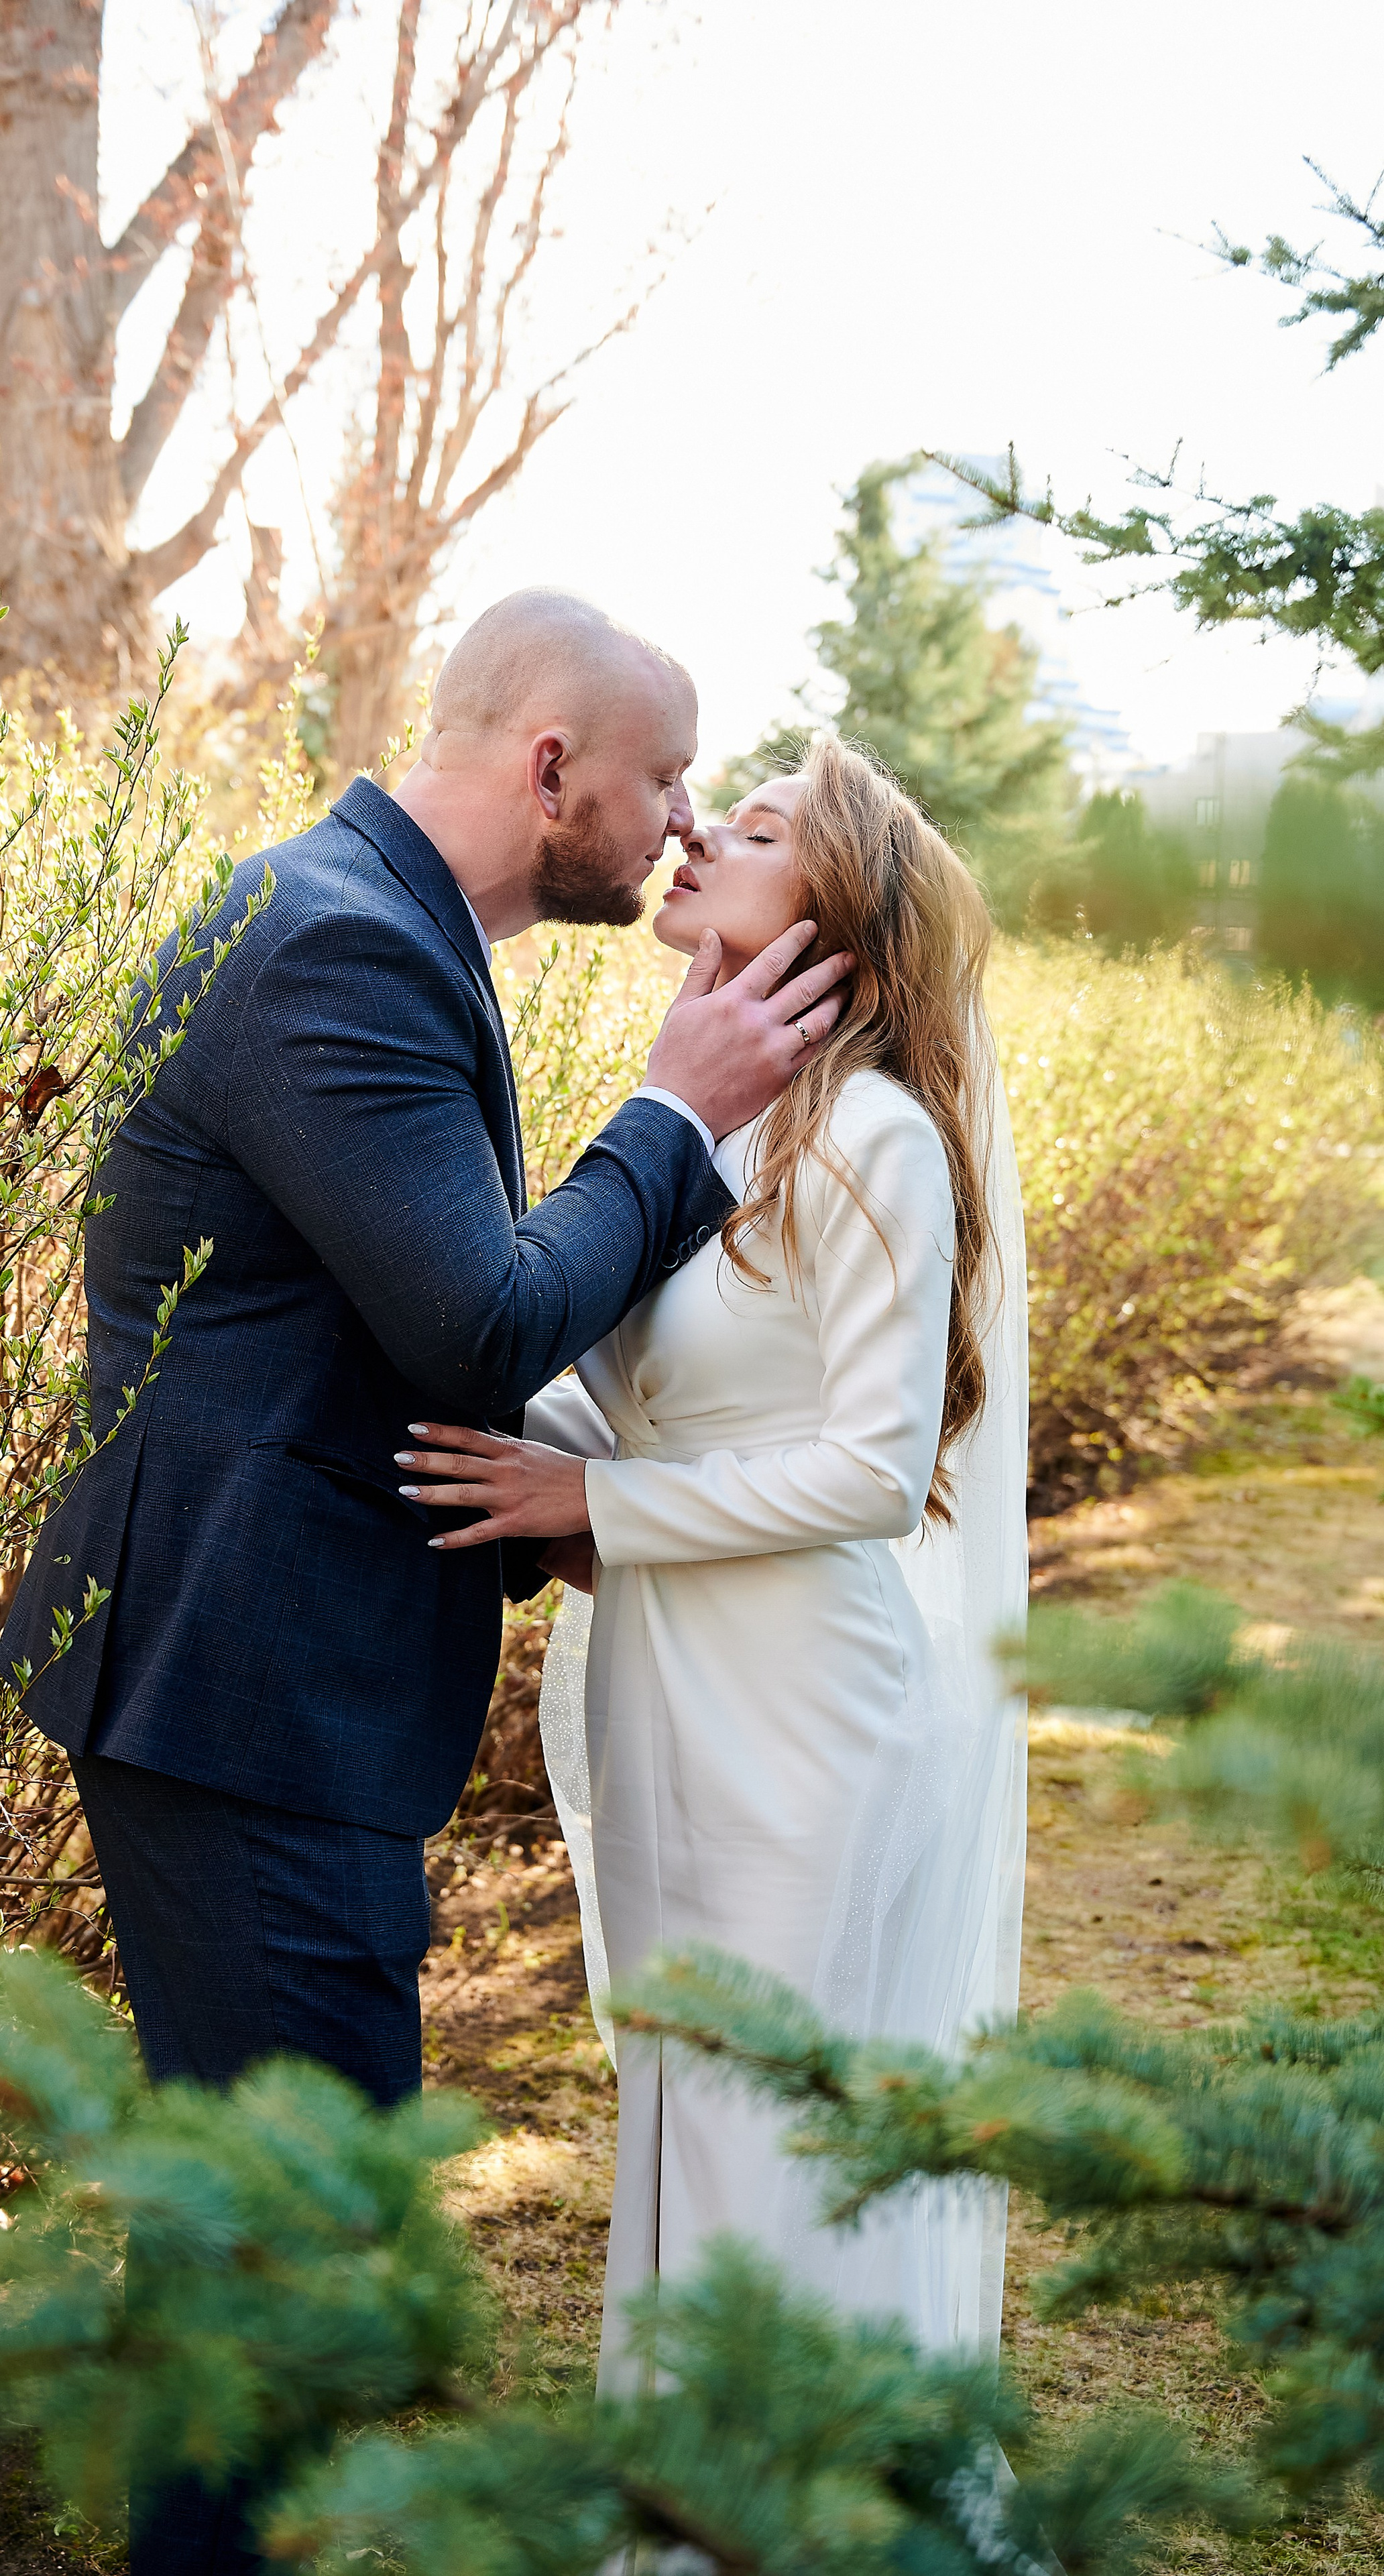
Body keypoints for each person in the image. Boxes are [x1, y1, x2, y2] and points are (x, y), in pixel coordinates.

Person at [0, 589, 850, 2572]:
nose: (677, 822)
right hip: (244, 1693)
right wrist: (679, 1113)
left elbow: (364, 1330)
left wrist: (573, 1493)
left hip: (255, 1679)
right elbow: (469, 1319)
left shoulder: (361, 920)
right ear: (553, 764)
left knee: (257, 2242)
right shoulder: (340, 950)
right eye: (659, 780)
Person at [399, 734, 1029, 2378]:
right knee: (681, 2129)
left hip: (806, 1716)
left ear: (835, 920)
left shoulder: (875, 1138)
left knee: (769, 2144)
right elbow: (645, 1397)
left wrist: (586, 1506)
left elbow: (873, 1472)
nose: (693, 835)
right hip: (668, 1692)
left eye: (751, 830)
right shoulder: (713, 1139)